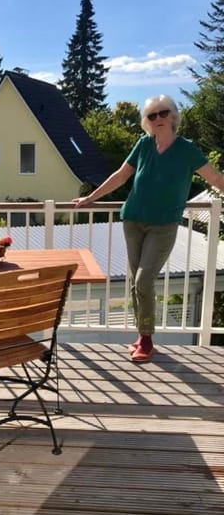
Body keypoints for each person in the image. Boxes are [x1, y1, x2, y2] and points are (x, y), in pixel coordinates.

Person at [73, 95, 224, 362]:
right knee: (135, 283)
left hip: (163, 224)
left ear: (173, 116)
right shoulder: (143, 145)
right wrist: (89, 199)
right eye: (152, 116)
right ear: (147, 122)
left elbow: (214, 177)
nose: (158, 120)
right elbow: (120, 176)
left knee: (144, 280)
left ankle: (146, 338)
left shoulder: (187, 150)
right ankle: (143, 336)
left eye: (162, 113)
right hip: (133, 219)